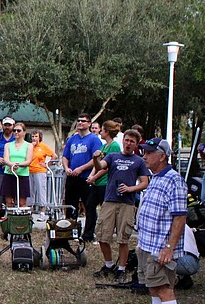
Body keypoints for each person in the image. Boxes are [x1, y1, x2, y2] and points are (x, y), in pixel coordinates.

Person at [134, 138, 187, 304]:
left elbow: (180, 217)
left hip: (160, 247)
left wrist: (169, 247)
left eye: (148, 153)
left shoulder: (174, 180)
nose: (144, 156)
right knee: (154, 289)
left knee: (165, 289)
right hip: (147, 244)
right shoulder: (156, 178)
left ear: (162, 156)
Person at [91, 129, 149, 282]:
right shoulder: (113, 156)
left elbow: (145, 182)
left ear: (136, 144)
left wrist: (131, 189)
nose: (128, 143)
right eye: (127, 140)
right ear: (123, 141)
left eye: (132, 141)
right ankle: (109, 265)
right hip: (109, 201)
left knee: (123, 239)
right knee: (103, 235)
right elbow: (99, 166)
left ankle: (121, 268)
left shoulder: (139, 161)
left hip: (127, 203)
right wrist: (95, 158)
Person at [83, 120, 122, 242]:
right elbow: (97, 163)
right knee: (89, 206)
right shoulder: (103, 146)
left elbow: (108, 166)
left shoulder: (114, 146)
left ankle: (103, 234)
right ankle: (88, 234)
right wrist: (91, 175)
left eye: (103, 130)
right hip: (97, 182)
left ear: (107, 131)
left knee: (105, 210)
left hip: (105, 182)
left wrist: (95, 176)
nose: (100, 132)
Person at [62, 113, 103, 219]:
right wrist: (66, 168)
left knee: (88, 206)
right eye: (78, 120)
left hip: (86, 178)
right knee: (70, 206)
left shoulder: (94, 139)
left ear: (89, 124)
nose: (80, 123)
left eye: (83, 121)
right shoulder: (72, 139)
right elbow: (65, 156)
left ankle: (89, 233)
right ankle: (70, 229)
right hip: (72, 177)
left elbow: (96, 159)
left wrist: (81, 168)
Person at [2, 122, 33, 208]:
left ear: (24, 132)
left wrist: (17, 165)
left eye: (19, 130)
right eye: (14, 130)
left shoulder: (29, 145)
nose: (16, 132)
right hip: (9, 174)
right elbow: (6, 159)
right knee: (9, 202)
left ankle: (22, 220)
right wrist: (12, 165)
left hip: (22, 175)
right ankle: (10, 220)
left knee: (22, 202)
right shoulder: (8, 145)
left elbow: (28, 161)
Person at [28, 130, 56, 214]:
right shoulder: (29, 146)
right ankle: (30, 211)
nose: (34, 138)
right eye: (32, 136)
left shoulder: (43, 146)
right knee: (30, 191)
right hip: (29, 170)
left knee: (41, 190)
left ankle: (42, 211)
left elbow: (54, 155)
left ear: (39, 137)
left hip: (40, 171)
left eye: (36, 136)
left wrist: (47, 164)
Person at [175, 225, 200, 290]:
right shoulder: (184, 224)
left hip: (184, 262)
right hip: (195, 261)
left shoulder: (166, 224)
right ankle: (184, 278)